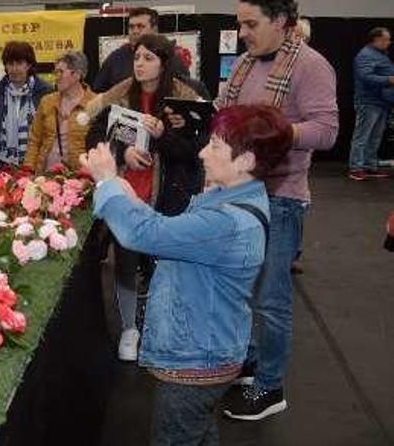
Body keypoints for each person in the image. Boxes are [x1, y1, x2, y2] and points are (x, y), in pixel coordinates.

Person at [83, 104, 293, 446]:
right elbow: (169, 231)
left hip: (196, 362)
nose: (202, 152)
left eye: (215, 146)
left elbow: (147, 236)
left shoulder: (226, 221)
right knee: (197, 433)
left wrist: (107, 182)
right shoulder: (234, 199)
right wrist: (124, 192)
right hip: (210, 353)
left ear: (246, 161)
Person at [216, 0, 339, 421]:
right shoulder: (245, 65)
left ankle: (270, 388)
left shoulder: (311, 65)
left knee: (271, 299)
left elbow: (327, 130)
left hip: (281, 199)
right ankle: (250, 363)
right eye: (241, 24)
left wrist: (279, 132)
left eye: (251, 24)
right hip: (239, 194)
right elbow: (225, 112)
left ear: (281, 22)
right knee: (241, 291)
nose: (243, 33)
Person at [84, 34, 205, 361]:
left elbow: (194, 153)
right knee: (125, 264)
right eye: (137, 57)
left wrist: (163, 138)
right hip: (127, 195)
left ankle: (159, 327)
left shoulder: (186, 100)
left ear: (164, 63)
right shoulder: (121, 95)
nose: (139, 63)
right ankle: (129, 329)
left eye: (148, 58)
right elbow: (94, 135)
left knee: (161, 268)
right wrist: (124, 152)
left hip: (168, 198)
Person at [0, 41, 53, 171]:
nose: (14, 69)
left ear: (29, 65)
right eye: (10, 64)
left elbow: (50, 132)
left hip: (36, 164)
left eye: (19, 63)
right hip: (1, 164)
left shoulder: (46, 92)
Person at [23, 51, 96, 173]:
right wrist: (28, 169)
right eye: (55, 72)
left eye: (61, 72)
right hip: (44, 177)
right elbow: (34, 140)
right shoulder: (47, 102)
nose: (56, 77)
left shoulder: (95, 103)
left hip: (81, 178)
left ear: (77, 74)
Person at [93, 8, 189, 94]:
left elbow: (185, 95)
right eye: (131, 27)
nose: (135, 31)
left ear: (154, 30)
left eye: (140, 26)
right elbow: (98, 92)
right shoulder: (115, 58)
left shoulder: (171, 59)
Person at [349, 27, 394, 180]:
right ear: (377, 39)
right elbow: (364, 77)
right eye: (386, 39)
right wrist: (389, 80)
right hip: (368, 101)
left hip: (381, 101)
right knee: (363, 136)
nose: (389, 42)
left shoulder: (379, 54)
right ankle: (356, 168)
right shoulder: (366, 55)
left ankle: (369, 166)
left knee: (375, 136)